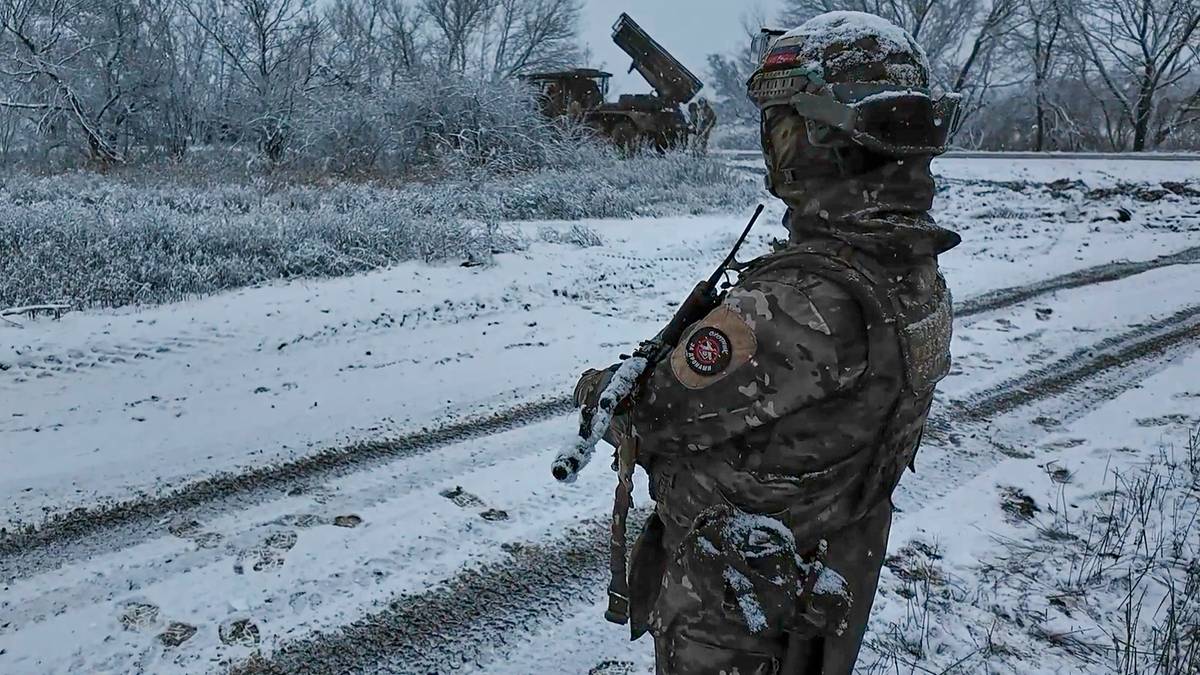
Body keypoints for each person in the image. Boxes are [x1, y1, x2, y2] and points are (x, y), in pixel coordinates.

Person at [574, 10, 962, 674]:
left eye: (778, 126)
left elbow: (646, 411)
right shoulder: (909, 267)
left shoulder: (798, 304)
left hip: (737, 618)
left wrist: (596, 385)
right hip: (824, 581)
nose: (770, 143)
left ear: (819, 135)